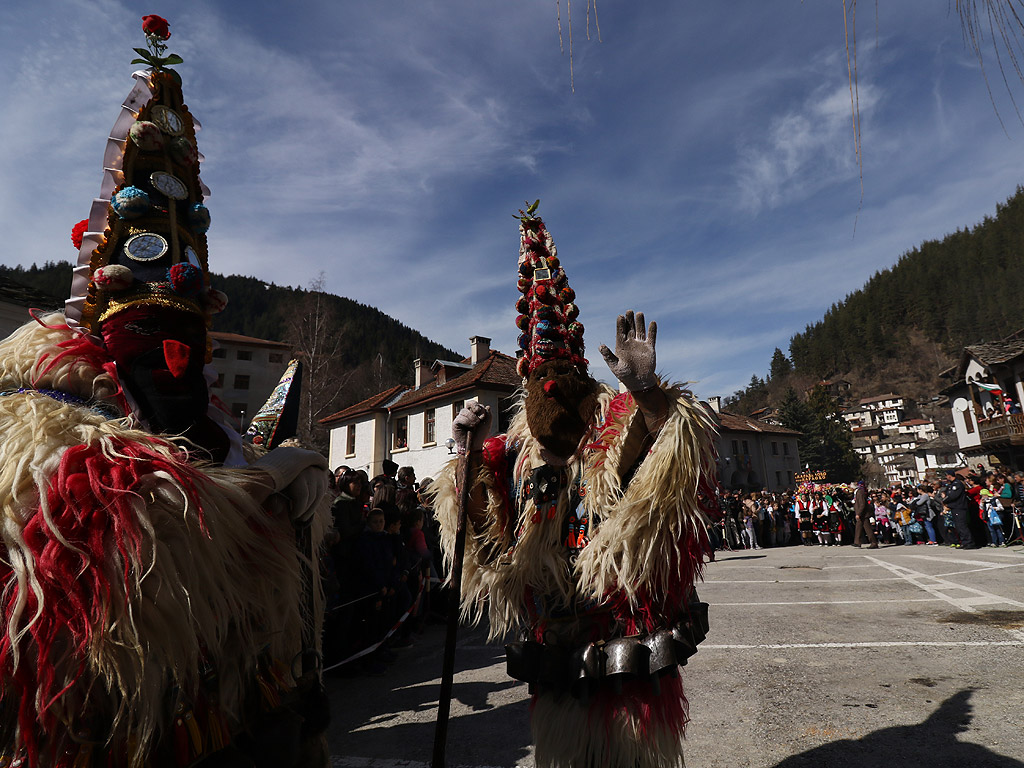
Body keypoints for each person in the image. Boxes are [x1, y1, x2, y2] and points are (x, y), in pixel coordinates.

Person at [0, 18, 331, 765]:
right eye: (150, 339)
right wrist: (254, 498)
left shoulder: (215, 435)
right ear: (105, 344)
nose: (174, 359)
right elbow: (145, 542)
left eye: (189, 343)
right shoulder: (42, 447)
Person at [435, 209, 717, 768]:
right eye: (543, 387)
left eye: (565, 389)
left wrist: (649, 397)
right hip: (557, 646)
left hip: (625, 631)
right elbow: (487, 545)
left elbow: (668, 467)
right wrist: (465, 457)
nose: (555, 403)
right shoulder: (512, 455)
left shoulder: (615, 425)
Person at [944, 470, 978, 549]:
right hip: (954, 507)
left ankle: (969, 542)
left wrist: (945, 500)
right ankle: (964, 542)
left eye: (947, 475)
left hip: (959, 507)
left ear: (949, 475)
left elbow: (953, 495)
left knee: (962, 525)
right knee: (958, 526)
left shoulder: (957, 484)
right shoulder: (951, 485)